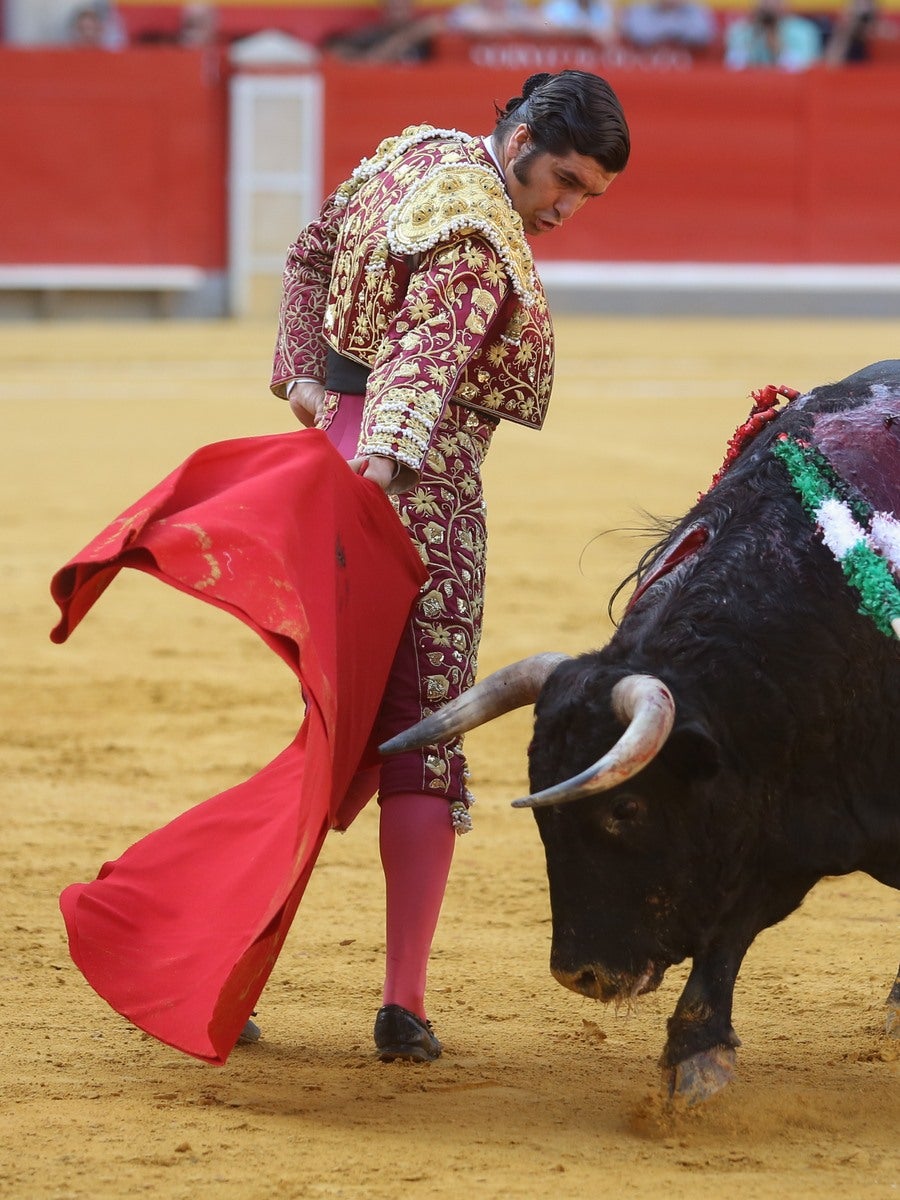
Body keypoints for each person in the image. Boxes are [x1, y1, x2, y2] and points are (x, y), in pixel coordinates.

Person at [268, 70, 630, 1062]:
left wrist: (304, 379)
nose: (563, 207)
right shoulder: (477, 231)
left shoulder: (410, 153)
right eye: (560, 180)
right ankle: (404, 1004)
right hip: (413, 492)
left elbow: (309, 253)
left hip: (332, 467)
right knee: (421, 734)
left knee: (326, 732)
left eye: (585, 195)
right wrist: (383, 473)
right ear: (518, 139)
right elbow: (427, 357)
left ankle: (235, 965)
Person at [323, 0, 441, 63]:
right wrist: (412, 35)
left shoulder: (429, 37)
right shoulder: (372, 35)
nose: (398, 10)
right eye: (394, 5)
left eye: (403, 4)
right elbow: (367, 63)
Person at [724, 0, 822, 68]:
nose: (769, 4)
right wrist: (753, 38)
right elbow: (733, 68)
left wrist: (778, 48)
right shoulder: (740, 31)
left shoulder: (803, 31)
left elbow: (803, 71)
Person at [619, 0, 716, 50]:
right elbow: (640, 33)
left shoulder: (696, 10)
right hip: (646, 69)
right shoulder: (640, 10)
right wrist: (674, 29)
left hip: (690, 72)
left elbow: (701, 34)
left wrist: (667, 28)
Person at [538, 0, 619, 44]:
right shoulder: (560, 5)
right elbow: (546, 26)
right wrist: (584, 31)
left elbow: (611, 35)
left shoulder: (600, 7)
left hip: (591, 64)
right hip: (562, 60)